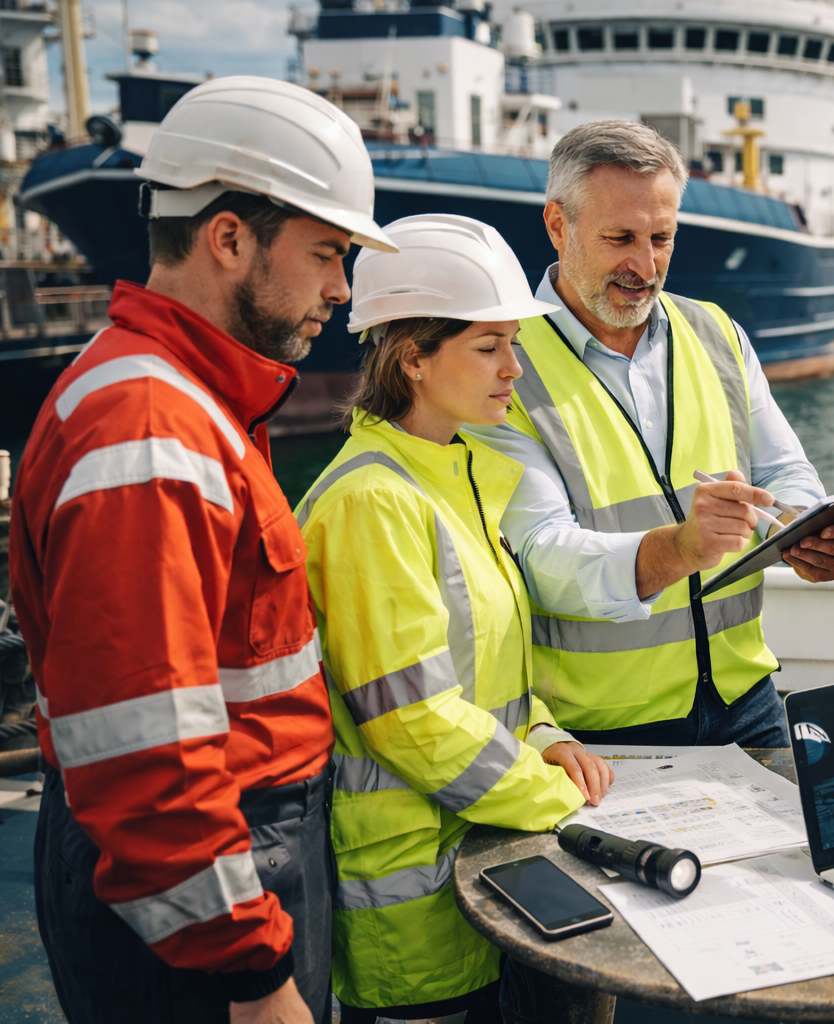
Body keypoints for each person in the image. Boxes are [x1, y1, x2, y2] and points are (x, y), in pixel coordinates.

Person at [11, 77, 396, 1023]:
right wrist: (252, 978)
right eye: (327, 254)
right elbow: (146, 757)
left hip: (226, 864)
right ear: (229, 238)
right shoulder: (150, 434)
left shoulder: (182, 404)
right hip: (205, 910)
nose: (342, 290)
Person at [295, 214, 614, 1024]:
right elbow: (410, 718)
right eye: (488, 346)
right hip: (409, 896)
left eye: (514, 341)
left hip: (478, 858)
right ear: (414, 358)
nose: (516, 367)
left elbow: (487, 666)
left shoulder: (458, 472)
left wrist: (548, 736)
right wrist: (551, 800)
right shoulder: (372, 500)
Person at [464, 119, 834, 750]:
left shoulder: (719, 333)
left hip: (748, 702)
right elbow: (538, 554)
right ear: (557, 225)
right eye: (620, 237)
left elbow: (782, 471)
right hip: (597, 731)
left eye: (662, 238)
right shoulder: (503, 365)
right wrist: (679, 548)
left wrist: (806, 527)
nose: (644, 266)